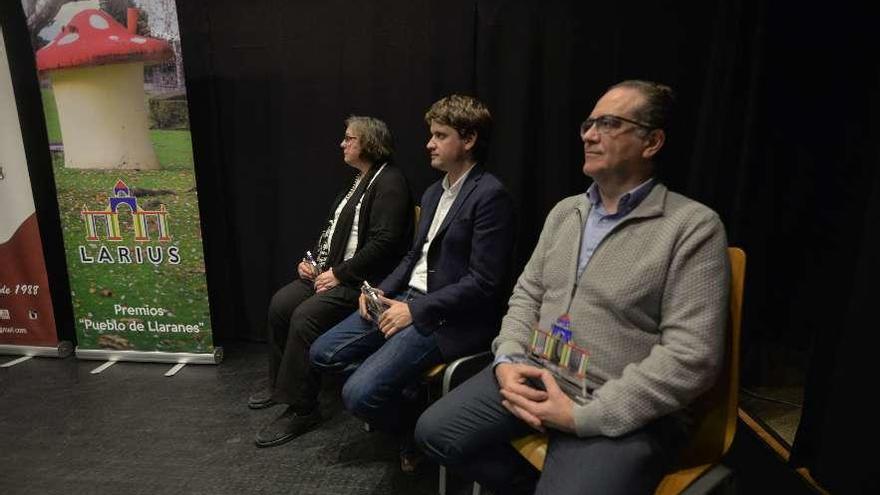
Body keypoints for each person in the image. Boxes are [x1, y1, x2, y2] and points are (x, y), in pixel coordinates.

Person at [415, 80, 730, 494]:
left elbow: (692, 357)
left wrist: (584, 417)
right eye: (588, 123)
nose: (589, 134)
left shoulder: (692, 228)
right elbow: (526, 295)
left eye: (609, 123)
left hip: (617, 405)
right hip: (535, 374)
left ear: (651, 142)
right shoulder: (567, 212)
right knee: (434, 432)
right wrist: (507, 360)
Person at [310, 95, 516, 471]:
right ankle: (411, 404)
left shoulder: (490, 196)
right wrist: (378, 291)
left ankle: (415, 434)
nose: (429, 144)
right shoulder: (435, 191)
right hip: (404, 299)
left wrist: (414, 311)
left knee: (358, 395)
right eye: (430, 134)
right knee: (323, 353)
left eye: (440, 135)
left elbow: (485, 284)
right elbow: (413, 256)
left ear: (468, 140)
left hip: (447, 316)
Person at [250, 116, 414, 448]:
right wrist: (311, 262)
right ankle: (281, 384)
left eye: (349, 138)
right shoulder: (357, 181)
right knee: (281, 304)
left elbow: (384, 244)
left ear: (368, 144)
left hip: (362, 282)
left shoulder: (390, 183)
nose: (342, 143)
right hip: (332, 273)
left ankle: (303, 407)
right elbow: (332, 232)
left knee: (305, 315)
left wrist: (338, 274)